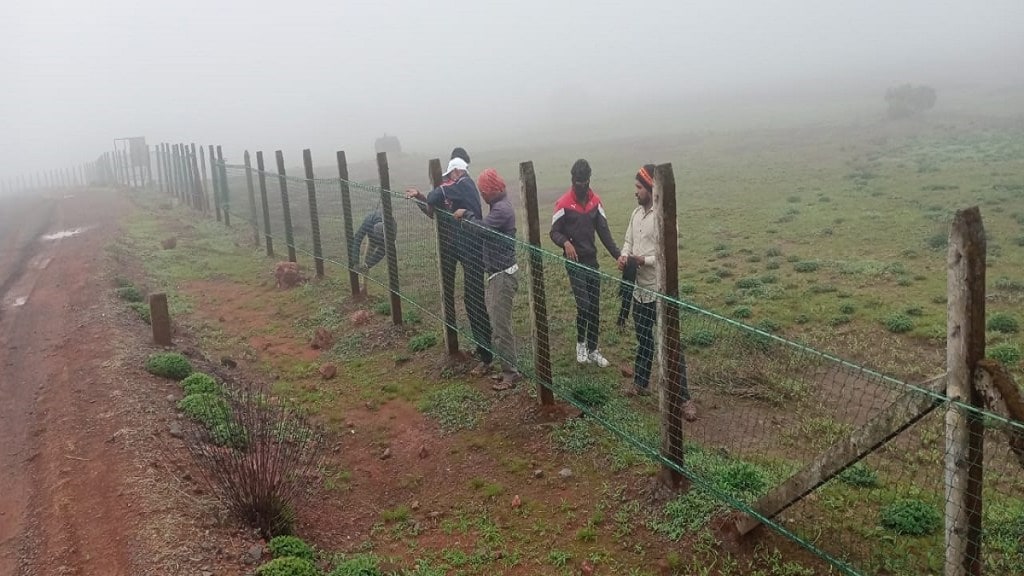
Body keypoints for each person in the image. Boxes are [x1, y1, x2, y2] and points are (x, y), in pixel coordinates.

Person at [617, 164, 696, 421]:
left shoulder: (663, 216)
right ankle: (641, 383)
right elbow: (628, 241)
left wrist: (643, 261)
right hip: (639, 291)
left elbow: (664, 253)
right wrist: (624, 256)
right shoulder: (635, 215)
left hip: (659, 291)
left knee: (671, 343)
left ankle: (684, 398)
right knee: (644, 340)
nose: (635, 192)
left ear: (651, 188)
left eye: (639, 188)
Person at [405, 158, 493, 372]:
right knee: (470, 300)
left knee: (474, 301)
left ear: (455, 173)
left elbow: (436, 196)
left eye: (447, 177)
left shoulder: (463, 184)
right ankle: (483, 348)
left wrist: (435, 192)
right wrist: (419, 198)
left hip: (471, 250)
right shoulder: (458, 188)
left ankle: (487, 355)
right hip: (463, 249)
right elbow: (434, 211)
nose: (445, 180)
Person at [454, 168, 520, 390]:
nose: (481, 195)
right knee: (498, 324)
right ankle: (507, 370)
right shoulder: (498, 205)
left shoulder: (501, 210)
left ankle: (511, 374)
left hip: (502, 275)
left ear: (490, 190)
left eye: (483, 191)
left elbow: (481, 229)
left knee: (501, 327)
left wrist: (467, 216)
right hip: (497, 273)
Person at [550, 159, 620, 367]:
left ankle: (593, 348)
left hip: (591, 260)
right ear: (573, 180)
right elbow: (554, 231)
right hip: (574, 262)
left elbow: (604, 233)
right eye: (578, 183)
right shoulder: (563, 204)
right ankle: (580, 343)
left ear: (589, 180)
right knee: (584, 304)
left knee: (595, 305)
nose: (582, 187)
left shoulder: (595, 202)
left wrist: (618, 256)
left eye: (585, 182)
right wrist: (565, 243)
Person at [350, 208, 386, 273]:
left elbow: (383, 251)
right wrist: (355, 262)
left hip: (385, 239)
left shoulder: (392, 228)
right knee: (367, 256)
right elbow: (357, 239)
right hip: (372, 236)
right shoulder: (368, 222)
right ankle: (364, 281)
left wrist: (368, 265)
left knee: (367, 265)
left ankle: (366, 267)